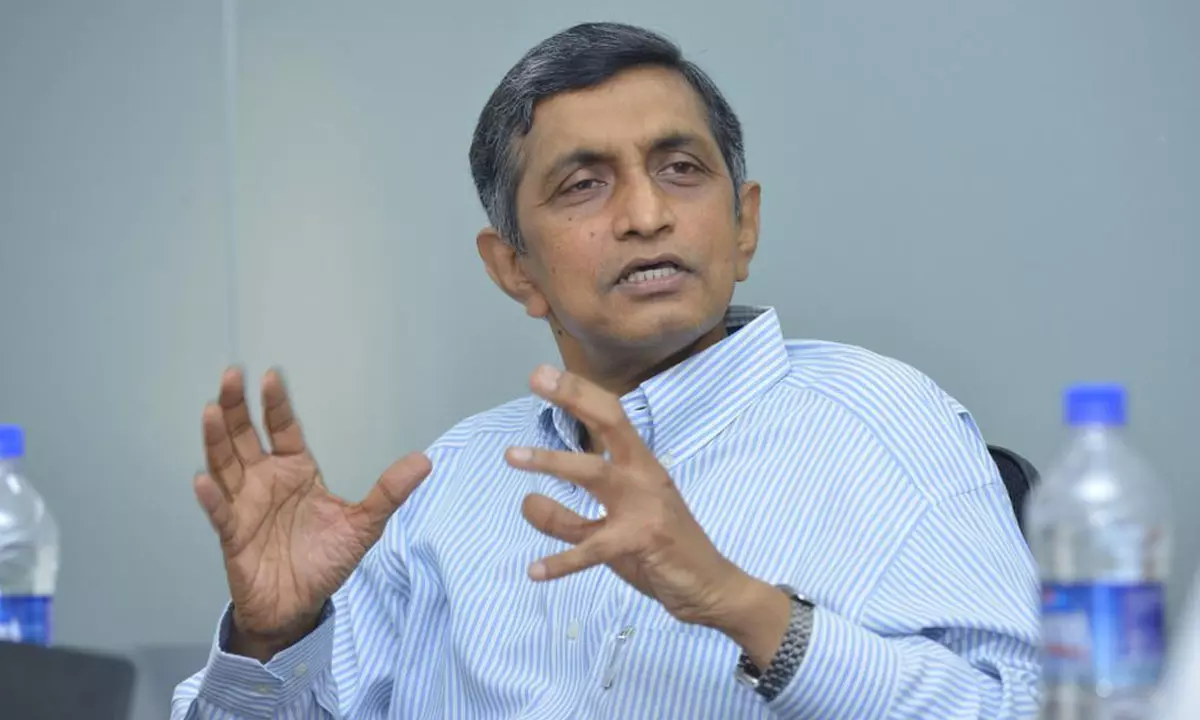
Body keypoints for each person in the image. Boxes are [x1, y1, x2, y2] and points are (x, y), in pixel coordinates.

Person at [172, 21, 1040, 719]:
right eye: (584, 184)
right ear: (514, 268)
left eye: (681, 169)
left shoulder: (883, 420)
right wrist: (271, 638)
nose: (646, 213)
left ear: (744, 226)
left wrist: (741, 605)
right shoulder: (448, 483)